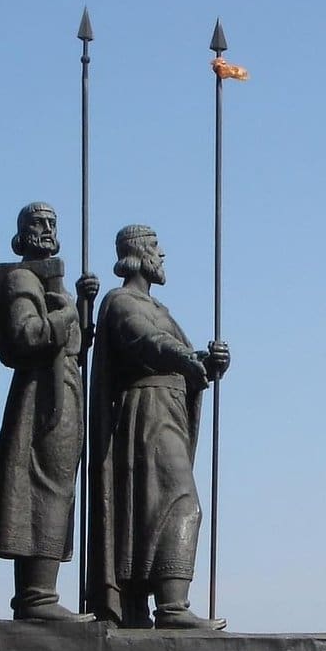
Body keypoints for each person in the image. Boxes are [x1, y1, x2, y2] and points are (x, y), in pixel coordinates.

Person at [86, 225, 229, 629]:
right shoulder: (121, 302)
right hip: (146, 413)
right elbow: (145, 342)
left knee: (153, 510)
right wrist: (187, 358)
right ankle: (172, 607)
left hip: (168, 411)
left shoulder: (161, 310)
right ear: (136, 254)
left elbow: (173, 353)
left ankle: (156, 603)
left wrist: (208, 361)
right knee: (183, 504)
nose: (162, 254)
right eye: (154, 247)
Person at [0, 202, 92, 621]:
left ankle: (42, 592)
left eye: (52, 222)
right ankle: (35, 596)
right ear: (22, 233)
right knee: (40, 487)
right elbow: (27, 336)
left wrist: (82, 306)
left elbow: (76, 346)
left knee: (59, 488)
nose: (47, 228)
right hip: (40, 395)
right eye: (38, 223)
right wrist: (67, 313)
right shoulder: (20, 279)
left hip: (64, 388)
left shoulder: (57, 285)